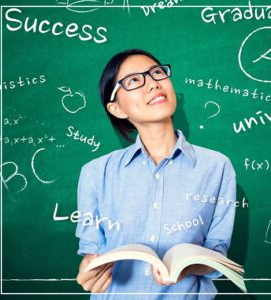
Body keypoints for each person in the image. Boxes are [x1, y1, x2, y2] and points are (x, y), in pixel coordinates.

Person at [75, 49, 236, 299]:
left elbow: (217, 253)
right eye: (133, 81)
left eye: (157, 73)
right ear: (116, 108)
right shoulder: (95, 173)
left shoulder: (217, 166)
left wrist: (186, 266)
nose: (152, 83)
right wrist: (89, 270)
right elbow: (91, 252)